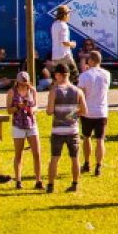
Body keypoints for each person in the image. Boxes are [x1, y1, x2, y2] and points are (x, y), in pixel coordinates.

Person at [44, 63, 85, 193]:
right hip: (73, 130)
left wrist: (58, 113)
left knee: (54, 158)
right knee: (75, 158)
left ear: (60, 75)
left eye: (55, 75)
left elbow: (50, 111)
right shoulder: (78, 91)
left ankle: (50, 185)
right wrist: (71, 115)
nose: (54, 78)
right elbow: (84, 110)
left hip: (58, 130)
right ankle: (75, 184)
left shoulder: (54, 91)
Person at [7, 71, 44, 189]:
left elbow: (37, 105)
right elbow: (8, 110)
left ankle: (38, 181)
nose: (24, 85)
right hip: (18, 125)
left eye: (25, 83)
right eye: (22, 83)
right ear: (17, 82)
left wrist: (33, 109)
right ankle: (18, 180)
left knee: (37, 153)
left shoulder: (32, 90)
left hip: (31, 124)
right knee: (19, 153)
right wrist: (18, 107)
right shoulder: (12, 92)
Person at [76, 51, 110, 177]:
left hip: (88, 111)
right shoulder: (107, 74)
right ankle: (99, 166)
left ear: (91, 61)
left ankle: (87, 163)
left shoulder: (85, 76)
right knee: (100, 139)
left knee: (86, 137)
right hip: (101, 111)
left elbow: (81, 94)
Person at [49, 4, 77, 77]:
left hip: (55, 55)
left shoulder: (54, 24)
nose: (69, 16)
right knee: (74, 76)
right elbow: (64, 42)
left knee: (58, 78)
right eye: (68, 14)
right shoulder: (63, 25)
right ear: (65, 15)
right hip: (64, 55)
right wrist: (72, 44)